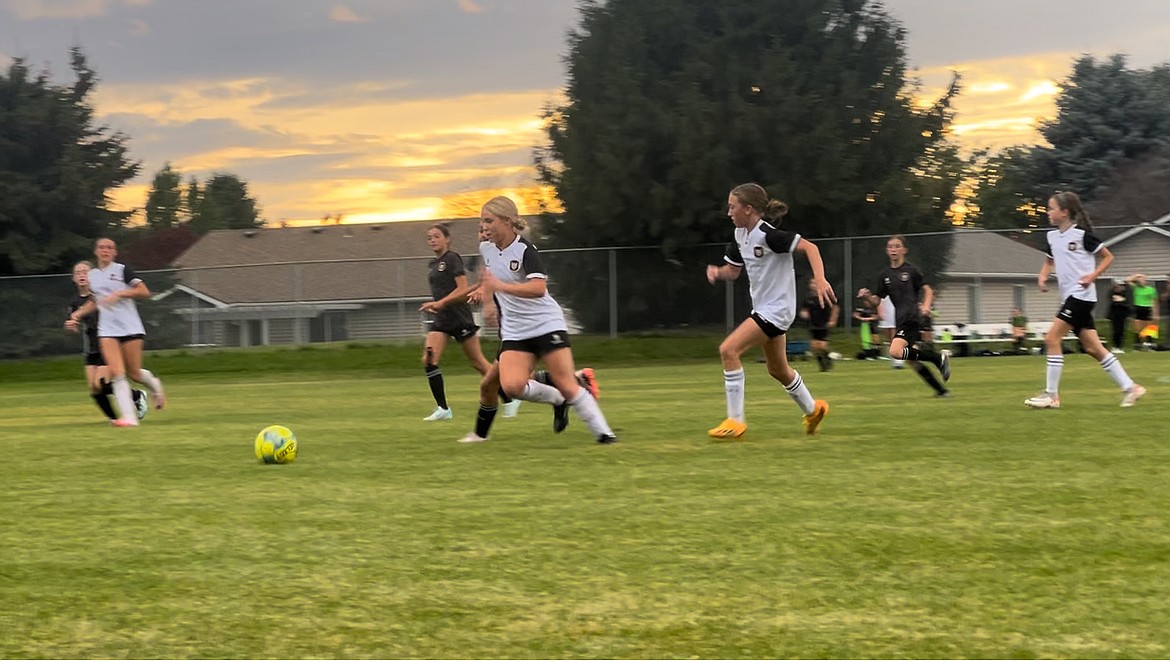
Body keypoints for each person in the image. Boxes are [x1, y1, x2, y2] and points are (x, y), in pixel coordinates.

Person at [458, 196, 615, 444]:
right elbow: (488, 278)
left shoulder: (525, 250)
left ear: (507, 221)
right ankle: (557, 400)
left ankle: (605, 436)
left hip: (545, 324)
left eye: (489, 220)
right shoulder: (486, 248)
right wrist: (487, 301)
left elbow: (538, 288)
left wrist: (502, 287)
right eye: (482, 221)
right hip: (515, 331)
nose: (484, 226)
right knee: (511, 386)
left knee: (566, 384)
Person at [704, 183, 833, 439]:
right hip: (765, 310)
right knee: (778, 370)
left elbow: (811, 248)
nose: (728, 212)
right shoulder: (740, 236)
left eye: (732, 207)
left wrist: (820, 278)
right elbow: (734, 270)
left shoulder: (768, 235)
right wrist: (717, 272)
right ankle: (813, 409)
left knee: (728, 350)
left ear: (748, 209)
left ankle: (735, 420)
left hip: (776, 310)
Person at [1024, 191, 1144, 409]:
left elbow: (1108, 256)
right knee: (1093, 349)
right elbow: (1049, 260)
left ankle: (1051, 395)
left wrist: (1092, 276)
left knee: (1052, 339)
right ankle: (1131, 388)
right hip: (1070, 298)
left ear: (1064, 212)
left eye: (1051, 208)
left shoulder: (1082, 236)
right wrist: (1043, 275)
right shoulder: (1052, 237)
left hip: (1082, 297)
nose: (1048, 212)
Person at [417, 223, 518, 421]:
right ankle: (443, 409)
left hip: (459, 317)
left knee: (479, 364)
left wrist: (440, 303)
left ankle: (509, 399)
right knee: (428, 360)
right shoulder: (432, 264)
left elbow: (463, 290)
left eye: (437, 236)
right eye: (429, 237)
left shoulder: (452, 258)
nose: (432, 240)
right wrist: (437, 306)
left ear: (447, 239)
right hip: (442, 319)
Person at [68, 238, 166, 427]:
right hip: (107, 330)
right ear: (96, 252)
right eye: (102, 247)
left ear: (115, 253)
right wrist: (77, 315)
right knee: (117, 373)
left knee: (135, 374)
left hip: (130, 327)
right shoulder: (93, 275)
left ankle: (155, 386)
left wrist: (121, 293)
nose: (105, 250)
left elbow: (144, 291)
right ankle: (129, 418)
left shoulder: (122, 270)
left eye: (109, 248)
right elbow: (95, 300)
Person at [858, 234, 952, 398]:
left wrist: (926, 307)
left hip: (912, 317)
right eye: (890, 247)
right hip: (900, 320)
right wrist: (866, 297)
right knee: (911, 359)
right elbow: (876, 301)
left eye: (897, 246)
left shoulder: (911, 271)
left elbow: (928, 290)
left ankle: (937, 358)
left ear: (904, 250)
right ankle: (941, 390)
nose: (893, 249)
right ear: (887, 251)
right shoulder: (884, 276)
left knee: (895, 351)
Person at [64, 261, 147, 423]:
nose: (82, 275)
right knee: (95, 389)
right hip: (92, 348)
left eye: (85, 272)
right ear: (73, 278)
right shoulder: (74, 302)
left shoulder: (102, 294)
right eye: (78, 273)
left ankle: (136, 397)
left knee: (100, 383)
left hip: (108, 343)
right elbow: (76, 322)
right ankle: (115, 418)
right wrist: (72, 325)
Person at [799, 280, 840, 371]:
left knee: (821, 345)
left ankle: (827, 359)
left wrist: (833, 320)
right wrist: (803, 313)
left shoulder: (825, 295)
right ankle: (822, 365)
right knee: (815, 347)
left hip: (823, 324)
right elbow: (804, 309)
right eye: (812, 284)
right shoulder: (808, 298)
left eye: (815, 283)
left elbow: (835, 308)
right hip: (813, 325)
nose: (813, 285)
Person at [1127, 273, 1159, 349]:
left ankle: (1149, 343)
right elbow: (1128, 280)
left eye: (1144, 279)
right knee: (1137, 327)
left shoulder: (1151, 289)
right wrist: (1137, 276)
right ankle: (1137, 344)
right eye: (1141, 280)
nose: (1142, 281)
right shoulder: (1136, 288)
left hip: (1147, 308)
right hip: (1138, 308)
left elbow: (1154, 302)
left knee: (1150, 327)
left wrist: (1155, 313)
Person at [878, 295, 903, 369]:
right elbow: (879, 300)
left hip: (896, 313)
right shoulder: (884, 289)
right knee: (889, 339)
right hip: (886, 315)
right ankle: (894, 358)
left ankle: (898, 360)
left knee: (894, 337)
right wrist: (880, 311)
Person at [853, 295, 880, 359]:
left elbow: (876, 316)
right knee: (866, 339)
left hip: (873, 325)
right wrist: (862, 318)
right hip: (865, 325)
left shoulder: (873, 308)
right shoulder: (861, 308)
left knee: (875, 339)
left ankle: (876, 354)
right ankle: (868, 354)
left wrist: (869, 318)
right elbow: (855, 314)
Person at [1106, 280, 1130, 354]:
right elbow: (1112, 299)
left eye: (1122, 286)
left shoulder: (1125, 294)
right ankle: (1115, 346)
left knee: (1121, 330)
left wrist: (1121, 300)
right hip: (1114, 315)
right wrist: (1119, 300)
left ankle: (1120, 346)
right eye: (1119, 286)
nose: (1121, 287)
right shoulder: (1112, 293)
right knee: (1115, 330)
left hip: (1123, 315)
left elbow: (1127, 302)